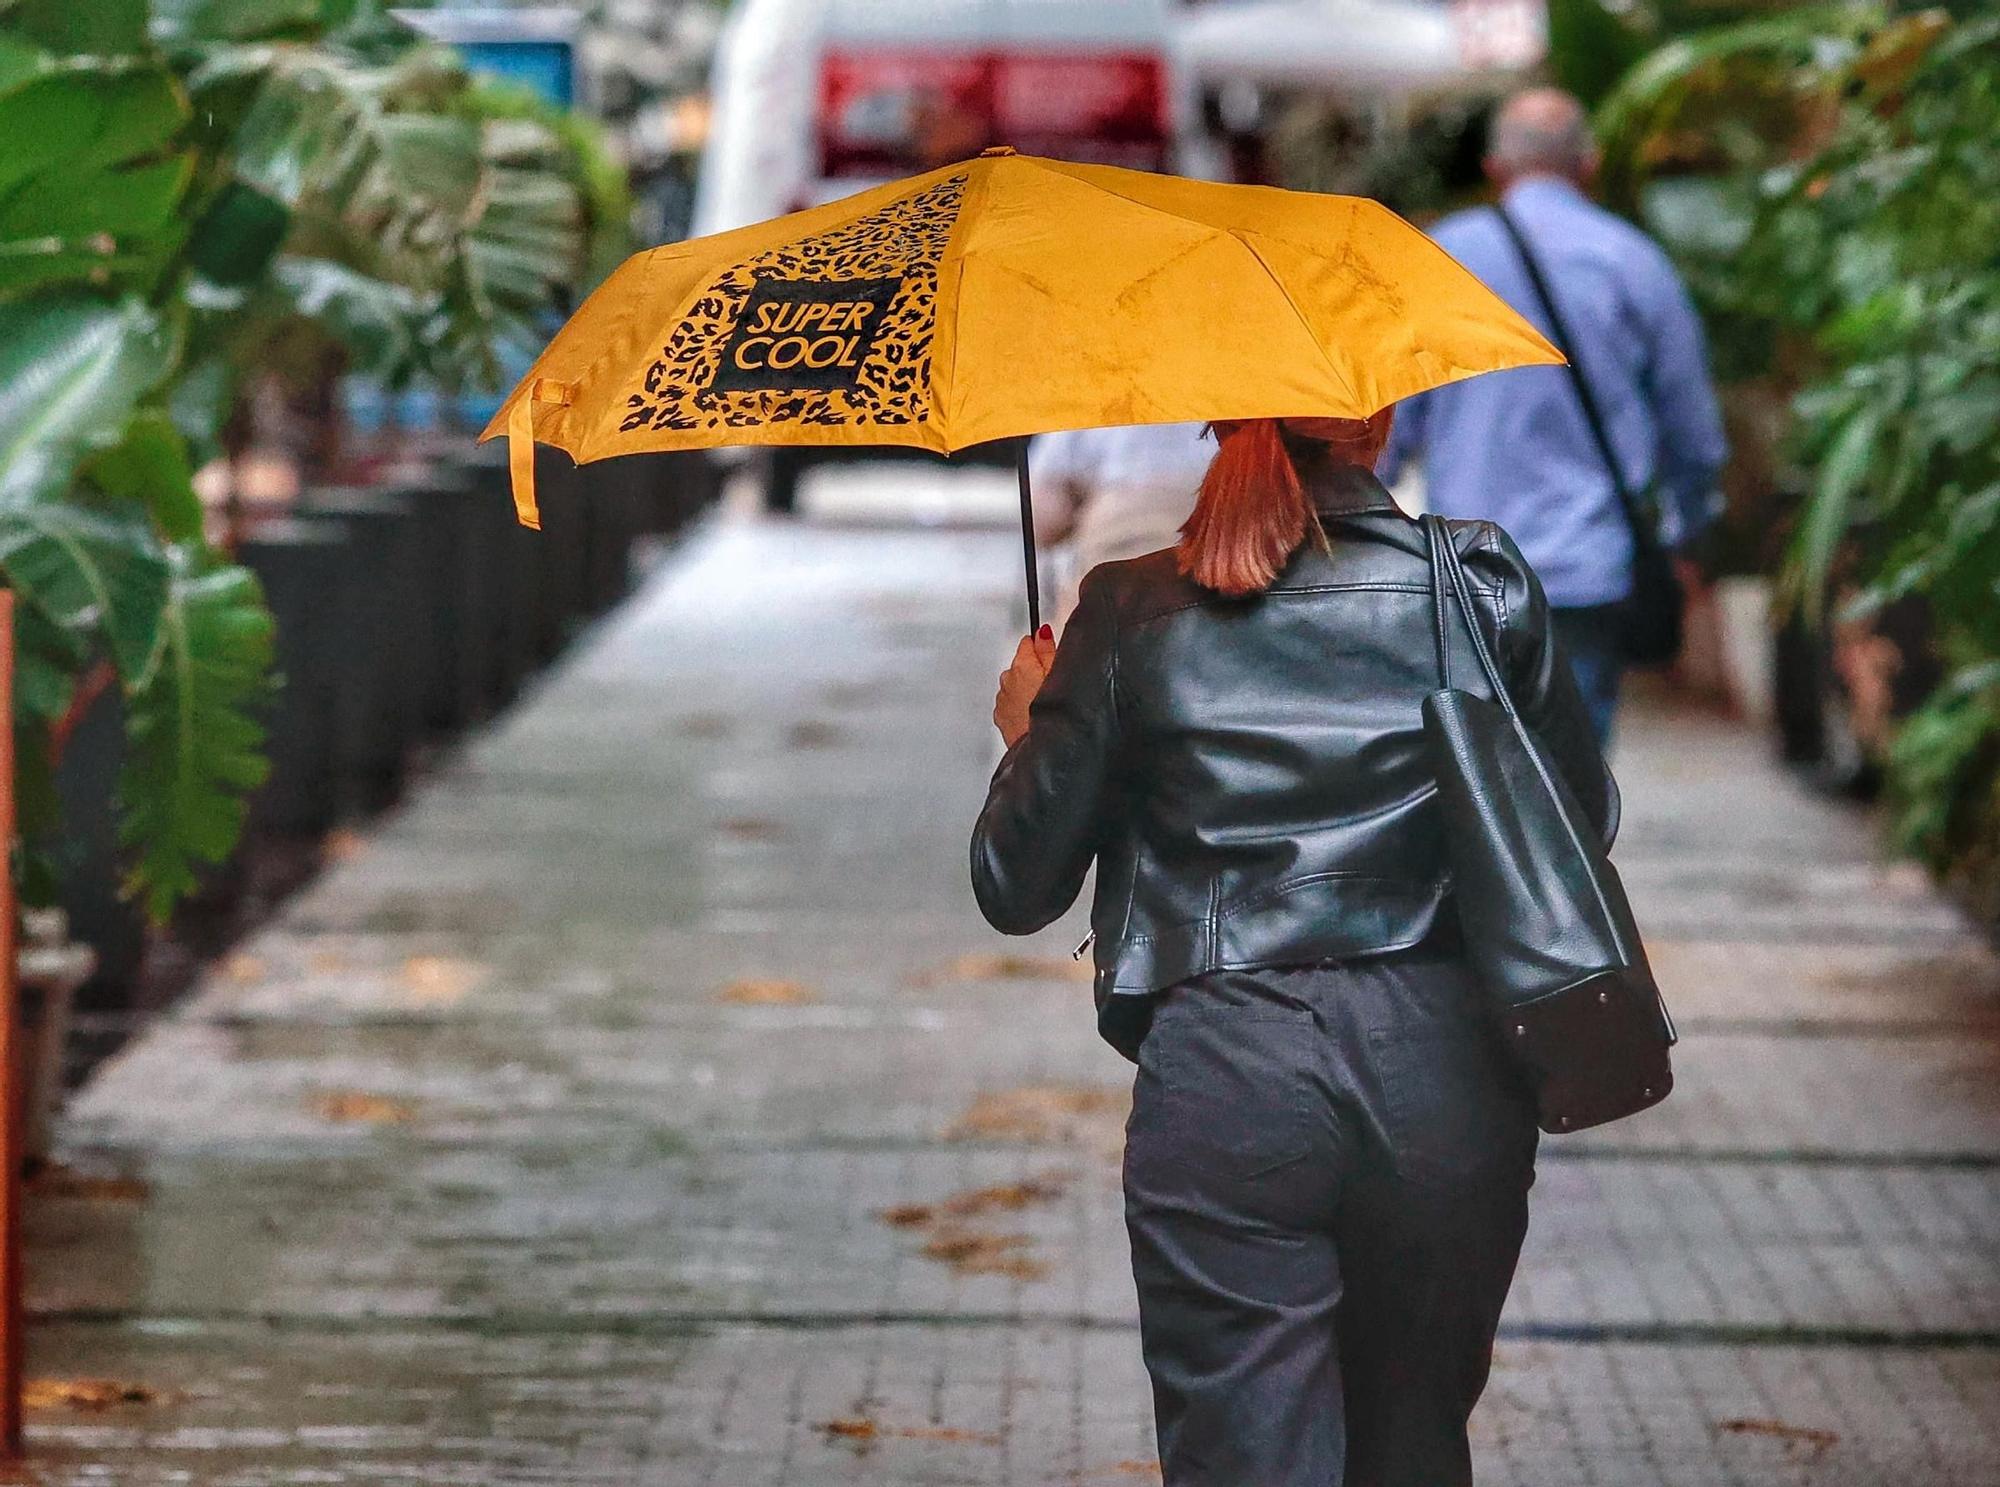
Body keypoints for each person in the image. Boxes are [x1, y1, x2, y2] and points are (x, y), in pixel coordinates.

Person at [971, 416, 1614, 1486]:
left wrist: (1032, 735)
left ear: (1216, 416)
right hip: (1445, 1065)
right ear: (1383, 417)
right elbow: (1576, 824)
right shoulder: (1476, 580)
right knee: (1411, 1446)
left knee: (1244, 1454)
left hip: (1227, 1070)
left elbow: (1014, 884)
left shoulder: (1129, 607)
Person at [1378, 88, 1727, 742]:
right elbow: (1692, 427)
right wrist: (1690, 529)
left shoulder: (1438, 260)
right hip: (1586, 565)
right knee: (1574, 781)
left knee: (1478, 769)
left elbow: (1387, 424)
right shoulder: (1634, 261)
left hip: (1466, 570)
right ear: (1588, 165)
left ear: (1494, 169)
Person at [1029, 422, 1213, 629]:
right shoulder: (1230, 410)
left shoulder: (1086, 406)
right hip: (1204, 588)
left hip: (1108, 576)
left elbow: (1044, 522)